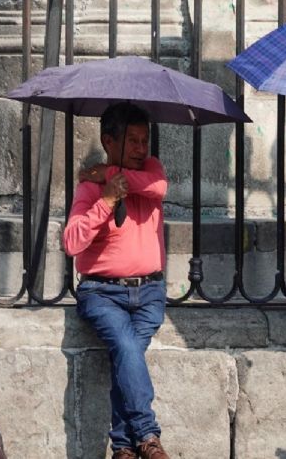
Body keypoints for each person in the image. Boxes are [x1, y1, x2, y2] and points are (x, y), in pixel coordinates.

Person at [62, 103, 170, 459]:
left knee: (127, 354)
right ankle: (147, 437)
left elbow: (158, 187)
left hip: (149, 292)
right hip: (102, 294)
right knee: (126, 348)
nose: (141, 149)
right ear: (108, 141)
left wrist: (109, 173)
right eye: (132, 140)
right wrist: (106, 200)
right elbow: (72, 243)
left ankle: (123, 447)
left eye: (144, 140)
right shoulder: (90, 189)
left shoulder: (149, 171)